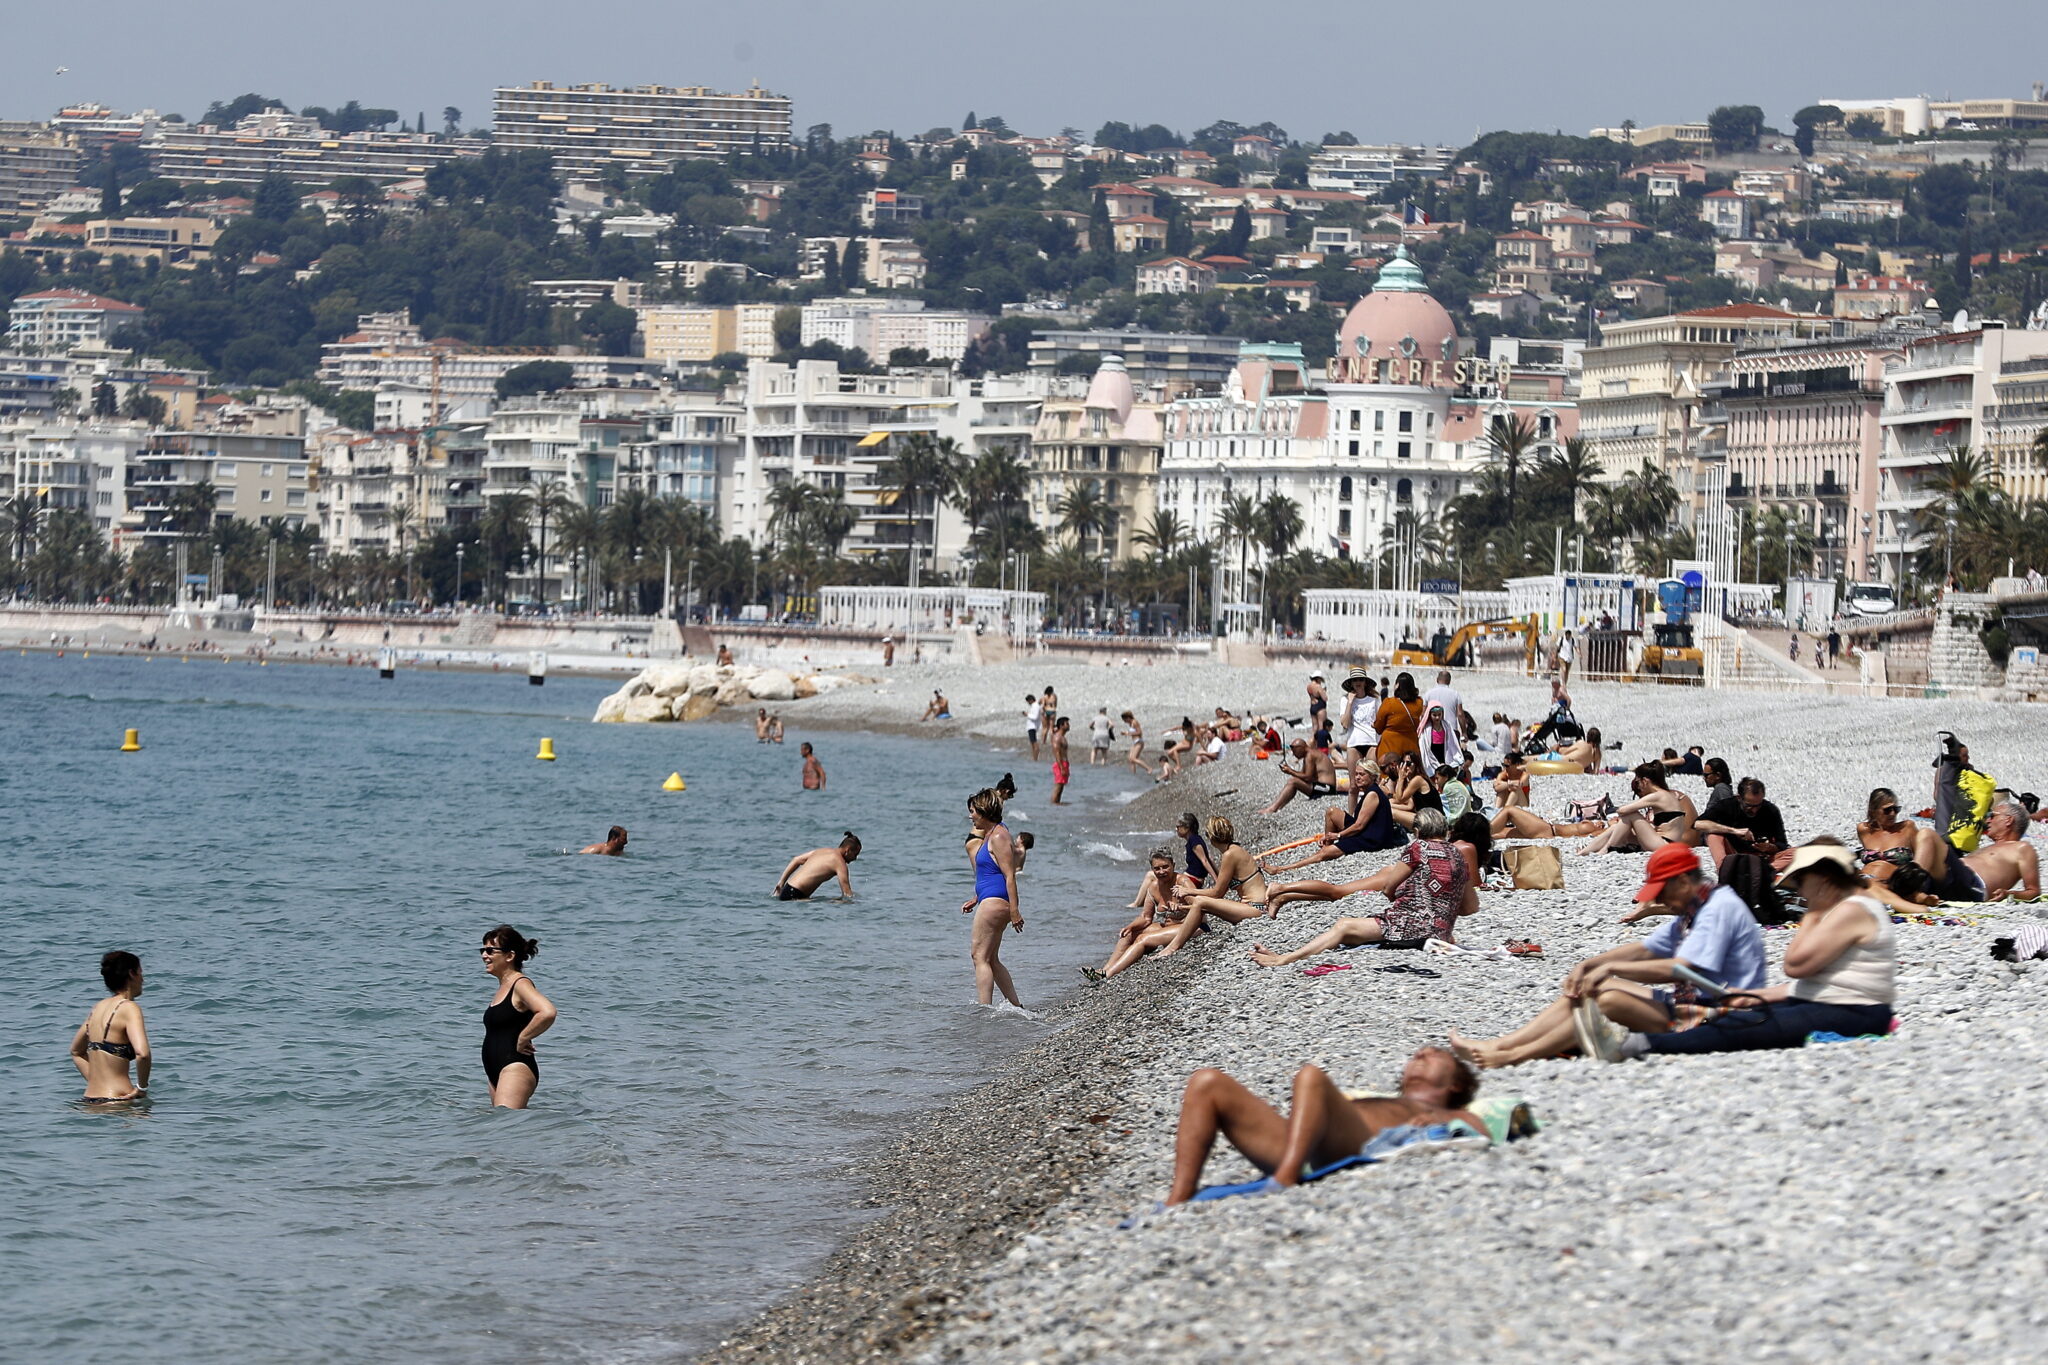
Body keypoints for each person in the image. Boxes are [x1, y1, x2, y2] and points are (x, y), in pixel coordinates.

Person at [1449, 844, 1765, 1069]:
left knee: (1609, 1001)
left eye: (1662, 892)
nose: (1660, 901)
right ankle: (1502, 1044)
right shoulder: (1697, 906)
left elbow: (1685, 969)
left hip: (1722, 1014)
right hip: (1695, 1003)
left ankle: (1512, 1057)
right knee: (1590, 985)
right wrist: (1592, 964)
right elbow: (1646, 950)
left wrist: (1612, 968)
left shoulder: (1719, 908)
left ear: (1683, 882)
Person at [1582, 843, 1896, 1061]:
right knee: (1752, 1016)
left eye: (1802, 882)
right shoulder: (1846, 909)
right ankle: (1631, 1043)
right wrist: (1759, 995)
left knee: (1752, 1028)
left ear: (1825, 880)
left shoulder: (1852, 910)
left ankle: (1640, 1045)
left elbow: (1796, 965)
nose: (1799, 890)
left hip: (1859, 1011)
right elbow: (1817, 983)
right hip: (1841, 1004)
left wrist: (1811, 916)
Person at [1163, 1046, 1483, 1204]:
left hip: (1352, 1145)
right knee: (1206, 1082)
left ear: (1455, 1084)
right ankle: (1178, 1198)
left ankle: (1285, 1178)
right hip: (1302, 1146)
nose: (1421, 1053)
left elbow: (1478, 1132)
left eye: (1435, 1054)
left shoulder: (1452, 1114)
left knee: (1310, 1076)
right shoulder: (1380, 1098)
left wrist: (1434, 1123)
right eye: (1418, 1053)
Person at [1252, 809, 1474, 963]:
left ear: (1417, 832)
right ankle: (1287, 949)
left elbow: (1388, 888)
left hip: (1411, 929)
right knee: (1349, 932)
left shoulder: (1418, 848)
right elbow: (1470, 907)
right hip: (1441, 933)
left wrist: (1409, 899)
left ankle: (1284, 959)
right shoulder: (1459, 856)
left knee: (1344, 926)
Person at [1264, 758, 1406, 873]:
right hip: (1366, 830)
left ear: (1373, 777)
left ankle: (1281, 869)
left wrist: (1338, 836)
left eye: (1362, 774)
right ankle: (1327, 846)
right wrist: (1330, 837)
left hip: (1372, 839)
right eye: (1356, 774)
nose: (1357, 777)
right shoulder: (1370, 790)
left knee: (1323, 854)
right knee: (1332, 812)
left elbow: (1359, 826)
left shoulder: (1373, 794)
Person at [1092, 848, 1205, 980]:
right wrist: (1131, 926)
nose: (1161, 872)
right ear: (1152, 869)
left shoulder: (1183, 882)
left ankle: (1109, 975)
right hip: (1168, 926)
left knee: (1142, 939)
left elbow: (1201, 907)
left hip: (1193, 926)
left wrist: (1181, 907)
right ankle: (1104, 970)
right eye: (1157, 868)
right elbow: (1146, 918)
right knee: (1128, 935)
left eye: (1165, 867)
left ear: (1173, 865)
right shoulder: (1153, 886)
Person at [479, 925, 556, 1109]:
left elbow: (547, 1011)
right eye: (482, 950)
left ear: (509, 956)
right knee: (501, 1131)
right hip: (495, 1070)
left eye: (490, 950)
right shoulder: (502, 988)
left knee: (504, 1123)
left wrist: (524, 1037)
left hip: (515, 1066)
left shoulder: (520, 984)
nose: (484, 956)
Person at [963, 787, 1024, 1007]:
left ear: (984, 810)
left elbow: (1009, 875)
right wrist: (977, 897)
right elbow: (991, 872)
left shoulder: (998, 836)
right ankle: (1016, 1006)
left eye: (973, 812)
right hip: (990, 900)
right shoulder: (994, 833)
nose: (970, 817)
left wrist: (1015, 911)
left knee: (978, 956)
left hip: (996, 904)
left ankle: (984, 1009)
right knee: (991, 959)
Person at [69, 950, 151, 1103]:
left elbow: (76, 1052)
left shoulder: (97, 1008)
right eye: (141, 972)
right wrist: (142, 1088)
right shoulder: (129, 1008)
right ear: (132, 974)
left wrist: (95, 1079)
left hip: (89, 1101)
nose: (143, 979)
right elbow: (143, 1054)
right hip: (118, 1101)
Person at [1577, 762, 1696, 853]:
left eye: (1637, 783)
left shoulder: (1658, 796)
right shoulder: (1668, 794)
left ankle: (1607, 849)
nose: (1638, 787)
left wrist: (1619, 813)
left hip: (1665, 845)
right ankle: (1585, 852)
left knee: (1631, 815)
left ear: (1645, 781)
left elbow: (1623, 810)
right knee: (1617, 828)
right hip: (1668, 842)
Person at [1177, 816, 1271, 924]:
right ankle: (1189, 929)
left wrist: (1188, 891)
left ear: (1212, 837)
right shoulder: (1235, 849)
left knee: (1200, 901)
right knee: (1200, 903)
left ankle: (1179, 939)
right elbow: (1220, 890)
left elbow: (1217, 893)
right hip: (1258, 905)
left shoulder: (1229, 855)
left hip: (1256, 907)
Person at [1694, 777, 1787, 863]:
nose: (1754, 810)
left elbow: (1782, 844)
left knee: (1795, 854)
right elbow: (1697, 824)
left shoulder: (1771, 810)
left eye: (1758, 805)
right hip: (1733, 855)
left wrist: (1769, 847)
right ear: (1739, 798)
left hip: (1763, 856)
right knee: (1713, 835)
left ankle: (1764, 871)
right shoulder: (1727, 805)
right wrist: (1734, 831)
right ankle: (1725, 870)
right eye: (1749, 805)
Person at [1966, 800, 2042, 900]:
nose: (1988, 820)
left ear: (2008, 820)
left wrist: (2009, 894)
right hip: (1949, 875)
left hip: (1968, 881)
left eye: (1992, 816)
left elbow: (2033, 891)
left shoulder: (2021, 847)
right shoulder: (1987, 847)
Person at [1261, 738, 1340, 813]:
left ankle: (1273, 808)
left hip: (1327, 789)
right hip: (1322, 787)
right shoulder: (1309, 754)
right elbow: (1303, 776)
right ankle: (1277, 807)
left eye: (1294, 751)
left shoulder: (1310, 755)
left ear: (1301, 748)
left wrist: (1291, 771)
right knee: (1293, 781)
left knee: (1293, 782)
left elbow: (1308, 777)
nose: (1293, 754)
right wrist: (1290, 771)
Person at [773, 833, 860, 899]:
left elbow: (796, 860)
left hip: (786, 890)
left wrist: (781, 883)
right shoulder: (840, 863)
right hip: (795, 896)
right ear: (848, 850)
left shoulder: (822, 851)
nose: (855, 858)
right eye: (855, 854)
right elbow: (847, 894)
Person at [1373, 672, 1426, 766]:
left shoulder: (1389, 703)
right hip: (1411, 745)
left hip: (1390, 746)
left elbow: (1378, 728)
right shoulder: (1419, 703)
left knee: (1389, 775)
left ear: (1397, 685)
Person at [1421, 670, 1464, 766]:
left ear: (1437, 680)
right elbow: (1460, 714)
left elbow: (1423, 714)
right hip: (1451, 729)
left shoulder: (1428, 694)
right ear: (1449, 681)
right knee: (1451, 758)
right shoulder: (1455, 694)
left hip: (1431, 730)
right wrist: (1464, 732)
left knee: (1432, 758)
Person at [1337, 666, 1378, 762]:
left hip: (1372, 741)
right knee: (1354, 777)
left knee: (1372, 775)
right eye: (1355, 680)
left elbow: (1379, 721)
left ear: (1365, 682)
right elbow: (1345, 724)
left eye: (1361, 680)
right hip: (1354, 742)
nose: (1358, 682)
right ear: (1351, 683)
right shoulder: (1345, 700)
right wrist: (1350, 702)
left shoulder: (1374, 700)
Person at [1176, 811, 1219, 885]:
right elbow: (1209, 858)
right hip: (1192, 877)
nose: (1176, 829)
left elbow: (1205, 860)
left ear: (1187, 827)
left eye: (1178, 827)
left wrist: (1217, 880)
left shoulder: (1194, 840)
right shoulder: (1195, 839)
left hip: (1193, 879)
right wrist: (1219, 875)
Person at [1121, 711, 1152, 777]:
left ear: (1128, 718)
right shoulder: (1131, 723)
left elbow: (1139, 732)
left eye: (1124, 720)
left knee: (1133, 758)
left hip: (1139, 742)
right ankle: (1133, 775)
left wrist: (1128, 734)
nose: (1124, 721)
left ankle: (1149, 768)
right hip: (1135, 742)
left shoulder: (1135, 722)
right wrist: (1125, 733)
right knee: (1130, 759)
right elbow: (1133, 731)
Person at [1050, 718, 1072, 804]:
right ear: (1061, 726)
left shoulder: (1061, 737)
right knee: (1058, 786)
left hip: (1064, 763)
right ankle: (1054, 805)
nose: (1069, 725)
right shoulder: (1057, 738)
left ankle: (1057, 804)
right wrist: (1062, 767)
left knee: (1061, 786)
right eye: (1067, 724)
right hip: (1060, 764)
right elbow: (1057, 753)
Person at [1306, 672, 1328, 738]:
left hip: (1312, 706)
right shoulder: (1318, 686)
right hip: (1320, 707)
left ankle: (1311, 743)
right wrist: (1324, 691)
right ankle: (1321, 744)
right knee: (1321, 726)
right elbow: (1325, 698)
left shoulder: (1309, 686)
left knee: (1314, 727)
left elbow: (1313, 695)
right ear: (1318, 678)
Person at [1023, 692, 1043, 761]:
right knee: (1032, 743)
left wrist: (1027, 714)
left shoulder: (1035, 706)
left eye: (1028, 701)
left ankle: (1035, 758)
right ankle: (1034, 758)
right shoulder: (1035, 706)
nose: (1028, 703)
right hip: (1032, 726)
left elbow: (1035, 717)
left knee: (1034, 743)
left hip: (1032, 726)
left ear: (1031, 700)